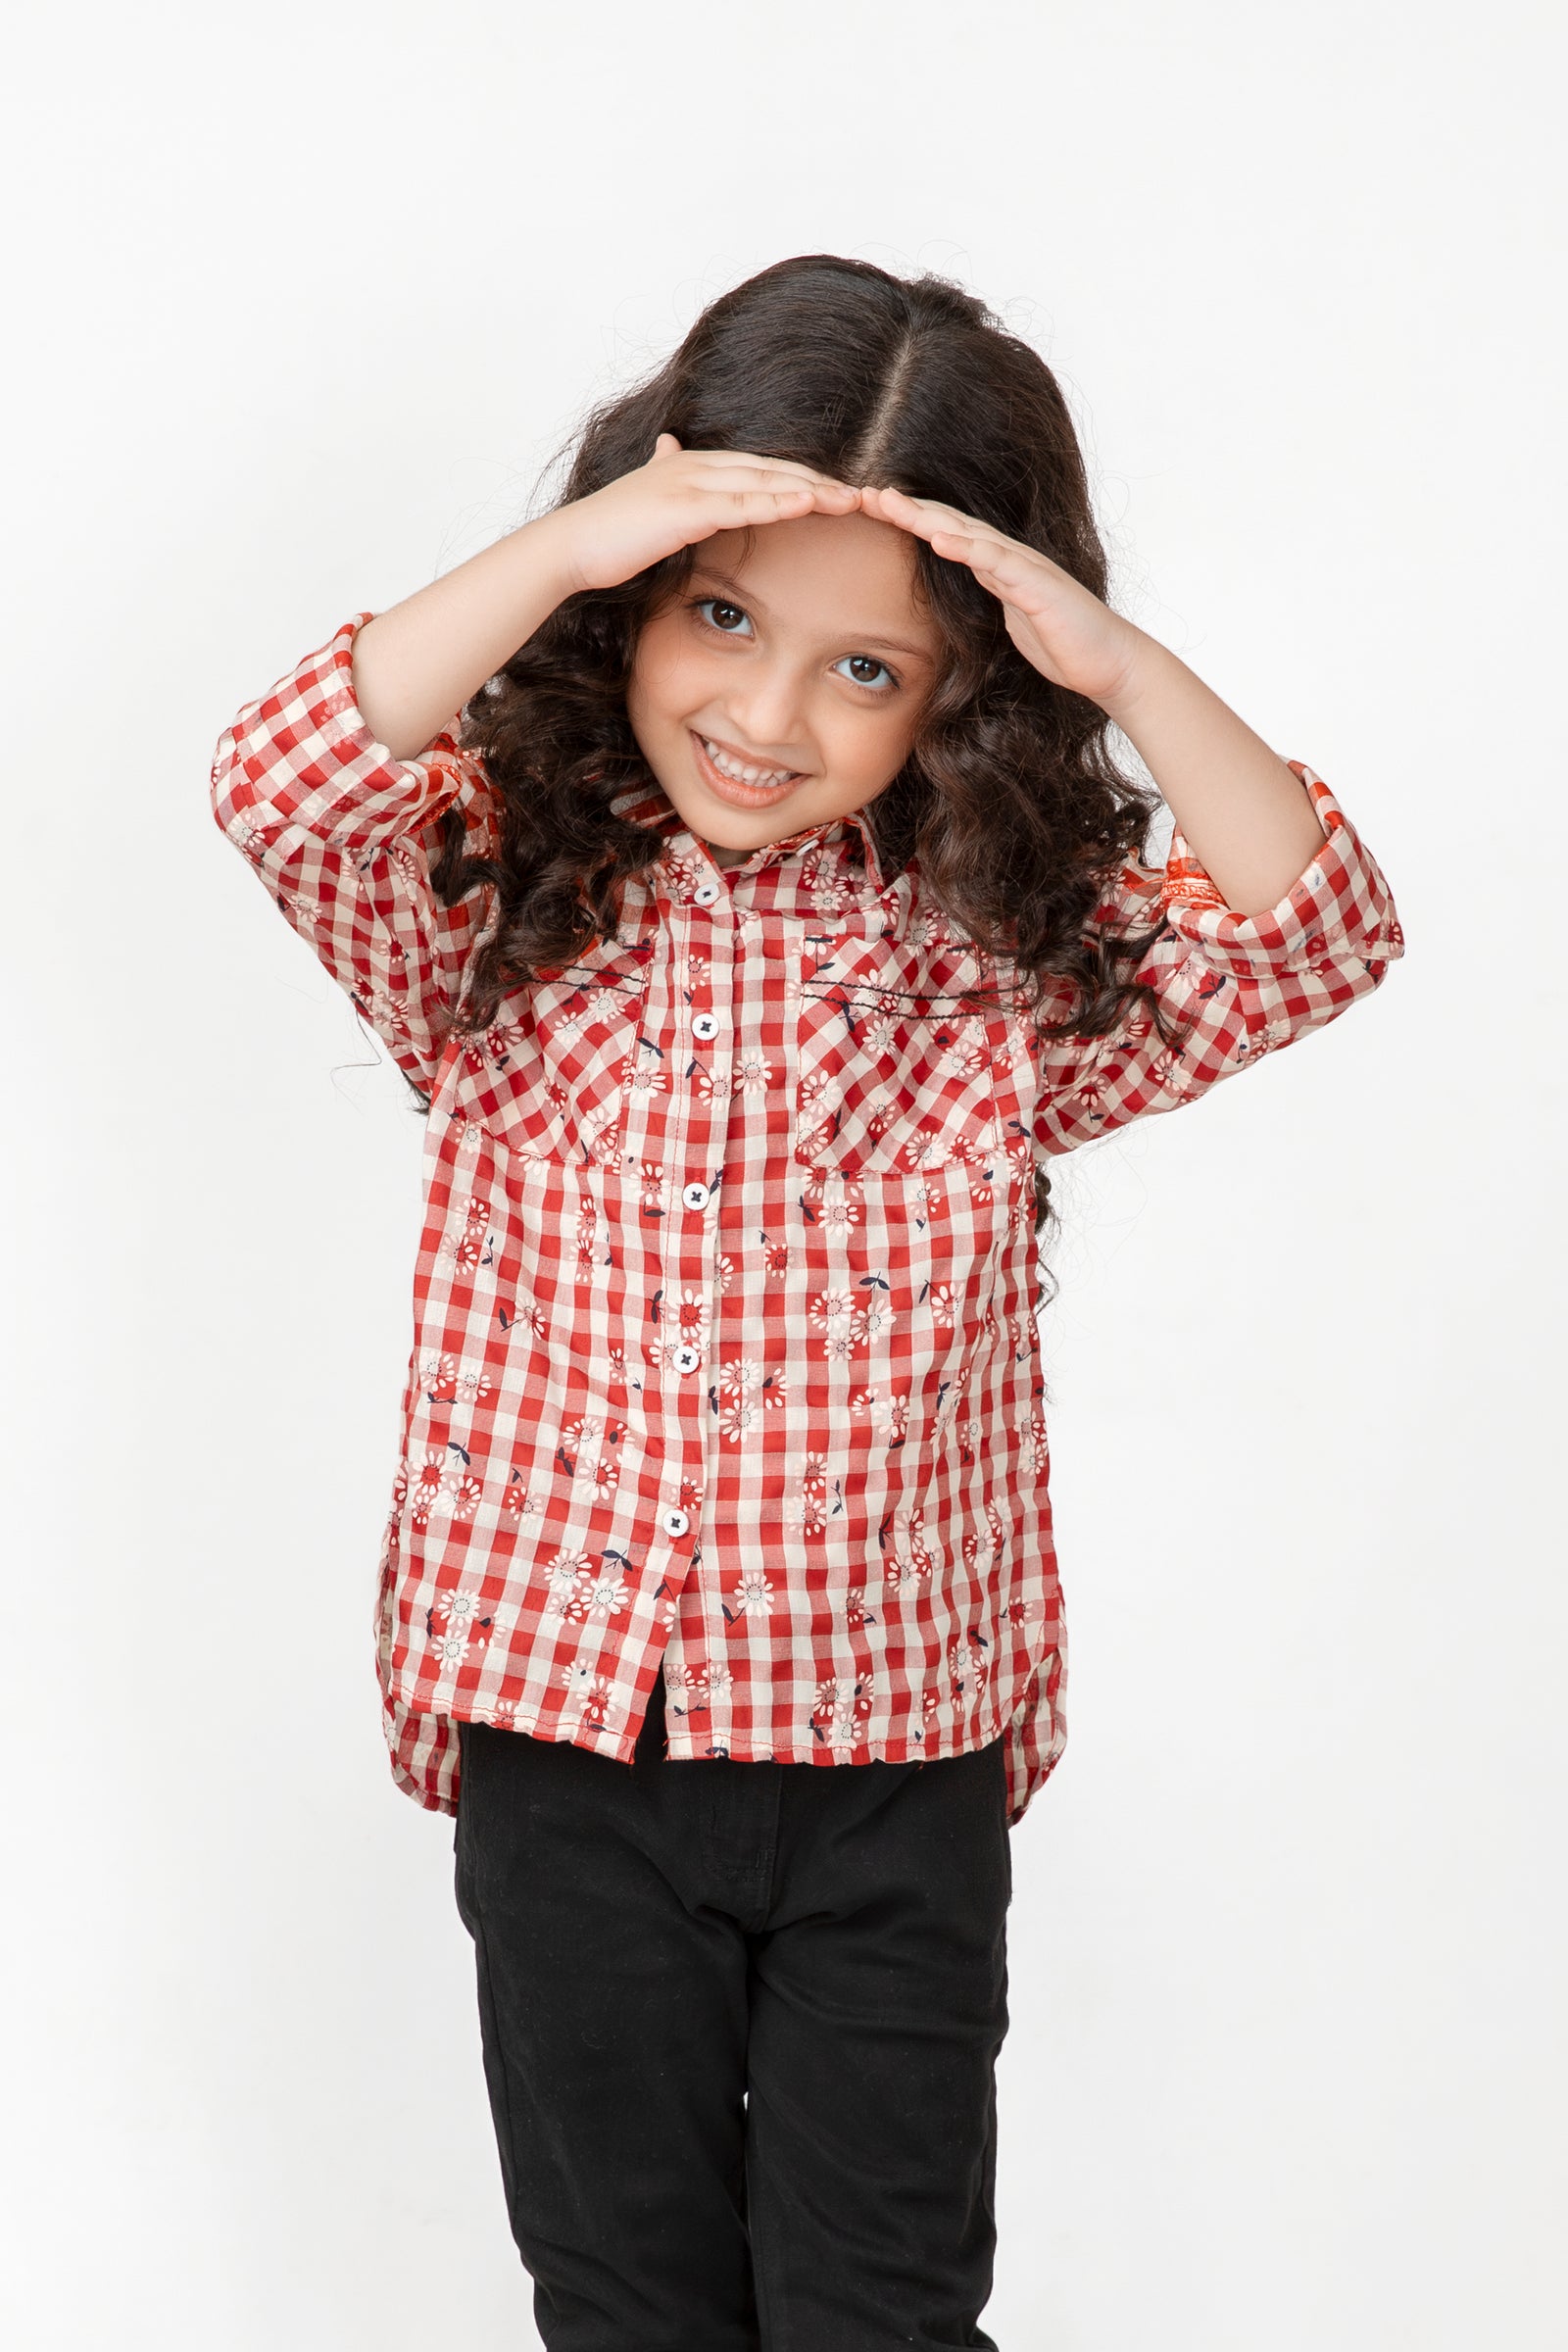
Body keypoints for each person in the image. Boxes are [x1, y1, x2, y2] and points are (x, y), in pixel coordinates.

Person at [209, 254, 1403, 2351]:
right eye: (722, 617)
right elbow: (282, 774)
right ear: (634, 600)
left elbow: (1314, 923)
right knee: (628, 2307)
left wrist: (1116, 665)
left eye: (866, 670)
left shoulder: (995, 962)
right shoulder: (500, 903)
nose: (763, 721)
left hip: (888, 1766)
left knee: (881, 2312)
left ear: (958, 690)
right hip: (570, 1754)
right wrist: (576, 535)